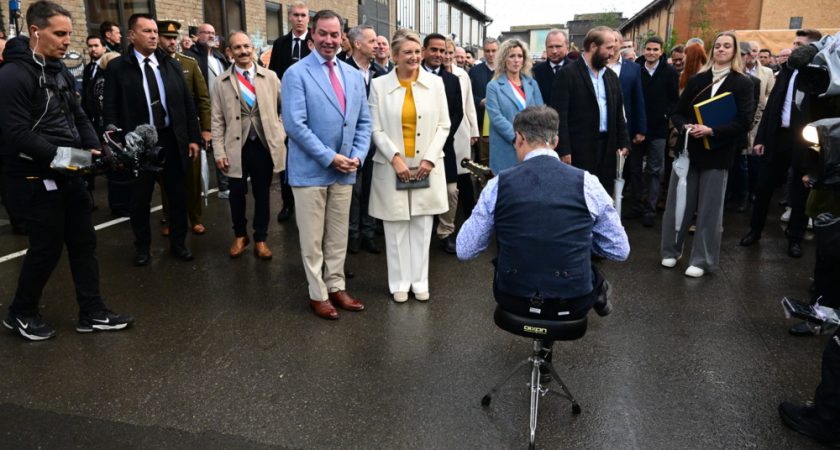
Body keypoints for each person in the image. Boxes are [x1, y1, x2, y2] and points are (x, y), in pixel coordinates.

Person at [0, 0, 134, 341]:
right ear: (35, 31)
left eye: (69, 34)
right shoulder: (13, 75)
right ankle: (21, 312)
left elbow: (79, 115)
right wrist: (71, 158)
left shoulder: (58, 70)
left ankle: (92, 312)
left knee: (84, 243)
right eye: (59, 34)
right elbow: (16, 133)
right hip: (33, 178)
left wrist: (93, 148)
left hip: (69, 172)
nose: (66, 41)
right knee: (46, 248)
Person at [456, 105, 628, 365]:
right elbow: (619, 250)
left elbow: (465, 249)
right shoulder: (588, 183)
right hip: (572, 300)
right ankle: (597, 290)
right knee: (582, 265)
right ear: (555, 141)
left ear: (519, 138)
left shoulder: (498, 185)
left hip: (513, 297)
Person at [282, 10, 371, 320]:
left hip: (345, 170)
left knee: (337, 236)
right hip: (311, 171)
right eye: (323, 33)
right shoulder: (296, 74)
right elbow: (295, 125)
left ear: (342, 37)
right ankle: (317, 293)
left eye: (335, 34)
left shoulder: (352, 75)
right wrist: (330, 157)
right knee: (312, 240)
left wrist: (358, 155)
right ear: (313, 34)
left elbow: (364, 121)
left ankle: (336, 285)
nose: (329, 40)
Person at [103, 13, 201, 267]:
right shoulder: (118, 68)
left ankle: (179, 244)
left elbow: (187, 103)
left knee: (177, 196)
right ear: (131, 35)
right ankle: (142, 247)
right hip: (138, 143)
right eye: (146, 31)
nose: (154, 36)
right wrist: (116, 142)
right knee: (139, 199)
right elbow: (110, 108)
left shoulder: (170, 64)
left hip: (170, 139)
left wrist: (193, 137)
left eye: (155, 31)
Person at [662, 31, 754, 278]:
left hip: (718, 153)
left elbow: (745, 121)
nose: (721, 49)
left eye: (727, 46)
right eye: (718, 46)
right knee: (678, 204)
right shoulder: (697, 80)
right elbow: (677, 112)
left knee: (709, 210)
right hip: (689, 151)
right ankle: (671, 250)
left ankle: (701, 260)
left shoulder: (742, 83)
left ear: (735, 51)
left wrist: (712, 130)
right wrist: (685, 126)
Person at [368, 31, 450, 302]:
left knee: (422, 226)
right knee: (395, 227)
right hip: (392, 166)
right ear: (395, 56)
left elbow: (444, 125)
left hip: (426, 166)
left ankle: (419, 281)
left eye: (417, 52)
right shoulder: (379, 85)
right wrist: (395, 158)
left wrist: (429, 158)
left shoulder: (435, 83)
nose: (414, 57)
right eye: (407, 52)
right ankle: (399, 283)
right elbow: (375, 128)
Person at [739, 30, 823, 259]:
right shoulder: (786, 70)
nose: (794, 48)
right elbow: (771, 107)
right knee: (764, 187)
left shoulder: (818, 74)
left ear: (812, 49)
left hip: (804, 140)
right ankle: (755, 231)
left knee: (799, 192)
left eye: (799, 44)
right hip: (778, 138)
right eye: (794, 43)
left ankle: (795, 239)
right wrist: (761, 139)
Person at [212, 31, 285, 260]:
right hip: (236, 146)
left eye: (246, 46)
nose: (243, 51)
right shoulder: (221, 82)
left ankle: (261, 238)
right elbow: (217, 120)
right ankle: (240, 235)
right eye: (237, 47)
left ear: (253, 49)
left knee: (262, 193)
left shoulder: (270, 77)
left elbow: (285, 107)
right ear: (229, 52)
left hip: (263, 145)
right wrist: (219, 151)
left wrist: (280, 130)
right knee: (236, 193)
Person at [550, 26, 629, 194]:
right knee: (580, 195)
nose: (612, 53)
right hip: (579, 150)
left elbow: (618, 114)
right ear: (593, 46)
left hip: (608, 148)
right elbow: (559, 116)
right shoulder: (568, 74)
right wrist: (564, 149)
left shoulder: (611, 76)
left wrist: (623, 142)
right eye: (609, 48)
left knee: (603, 195)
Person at [157, 20, 212, 237]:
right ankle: (170, 218)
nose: (172, 42)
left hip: (189, 130)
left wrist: (206, 129)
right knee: (167, 181)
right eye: (167, 38)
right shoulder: (153, 66)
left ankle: (195, 218)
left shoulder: (188, 63)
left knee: (192, 178)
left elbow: (203, 98)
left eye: (174, 38)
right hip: (165, 132)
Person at [629, 35, 679, 228]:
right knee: (634, 169)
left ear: (661, 51)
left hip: (658, 129)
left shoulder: (670, 72)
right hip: (636, 128)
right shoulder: (635, 69)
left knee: (655, 170)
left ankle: (650, 209)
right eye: (648, 49)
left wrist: (665, 115)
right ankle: (636, 205)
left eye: (655, 49)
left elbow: (674, 100)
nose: (651, 52)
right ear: (643, 50)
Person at [268, 2, 310, 223]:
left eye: (303, 15)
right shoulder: (280, 44)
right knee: (287, 157)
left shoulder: (315, 43)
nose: (300, 19)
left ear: (308, 19)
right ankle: (287, 203)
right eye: (296, 15)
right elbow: (273, 76)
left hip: (312, 110)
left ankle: (308, 203)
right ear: (289, 17)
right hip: (286, 110)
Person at [421, 34, 464, 255]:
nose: (438, 54)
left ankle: (445, 232)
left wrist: (442, 137)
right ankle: (422, 232)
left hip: (445, 145)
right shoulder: (412, 75)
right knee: (421, 189)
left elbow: (458, 112)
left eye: (442, 50)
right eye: (434, 49)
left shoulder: (452, 80)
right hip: (417, 146)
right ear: (424, 50)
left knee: (450, 191)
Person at [345, 25, 383, 255]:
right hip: (351, 142)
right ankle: (353, 236)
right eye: (372, 41)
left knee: (371, 188)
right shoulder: (342, 69)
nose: (377, 45)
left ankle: (369, 233)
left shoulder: (379, 72)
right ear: (357, 44)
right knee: (354, 191)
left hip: (375, 142)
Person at [485, 39, 542, 174]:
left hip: (531, 145)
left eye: (520, 56)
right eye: (512, 56)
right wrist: (517, 138)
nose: (516, 60)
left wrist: (530, 138)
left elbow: (540, 112)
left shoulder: (532, 83)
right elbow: (496, 117)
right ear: (504, 59)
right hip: (506, 146)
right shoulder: (493, 86)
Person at [187, 23, 230, 198]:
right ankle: (197, 191)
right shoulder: (191, 57)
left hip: (223, 110)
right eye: (207, 33)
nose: (211, 36)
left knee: (222, 147)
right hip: (202, 112)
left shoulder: (220, 57)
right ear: (198, 36)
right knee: (202, 151)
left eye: (213, 33)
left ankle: (224, 187)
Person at [444, 38, 480, 222]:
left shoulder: (462, 75)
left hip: (462, 129)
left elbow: (469, 104)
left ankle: (469, 215)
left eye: (450, 53)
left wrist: (474, 131)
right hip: (443, 130)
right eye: (445, 52)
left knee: (464, 172)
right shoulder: (433, 75)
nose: (447, 56)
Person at [609, 30, 646, 167]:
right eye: (609, 41)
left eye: (615, 41)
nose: (612, 45)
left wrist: (641, 129)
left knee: (627, 167)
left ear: (621, 43)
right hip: (603, 128)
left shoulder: (633, 68)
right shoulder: (597, 66)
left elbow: (638, 99)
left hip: (626, 125)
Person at [468, 37, 498, 166]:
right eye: (487, 51)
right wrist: (480, 101)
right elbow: (467, 95)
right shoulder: (474, 71)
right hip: (480, 121)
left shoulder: (505, 71)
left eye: (493, 51)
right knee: (482, 159)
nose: (490, 54)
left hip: (499, 123)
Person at [532, 29, 570, 103]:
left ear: (567, 47)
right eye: (550, 47)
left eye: (558, 46)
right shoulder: (535, 72)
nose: (554, 51)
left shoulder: (578, 70)